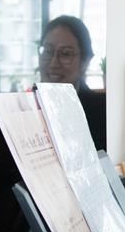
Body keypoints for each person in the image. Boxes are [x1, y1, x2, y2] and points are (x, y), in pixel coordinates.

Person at [38, 15, 106, 150]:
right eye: (48, 51)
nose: (53, 63)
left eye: (66, 54)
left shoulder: (102, 113)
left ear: (85, 62)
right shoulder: (25, 110)